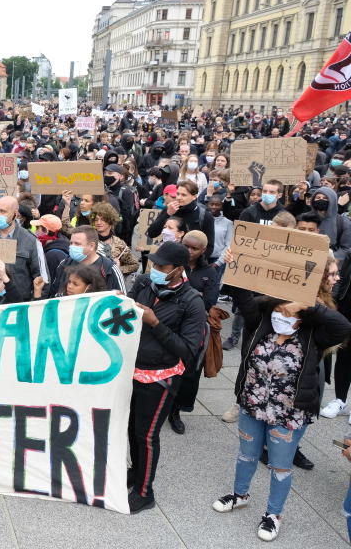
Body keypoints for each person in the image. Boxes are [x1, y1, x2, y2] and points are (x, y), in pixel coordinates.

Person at [213, 269, 351, 542]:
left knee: (280, 466)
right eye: (279, 310)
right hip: (252, 406)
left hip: (288, 415)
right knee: (246, 455)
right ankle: (240, 495)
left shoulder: (313, 337)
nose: (282, 317)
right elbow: (244, 297)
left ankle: (273, 514)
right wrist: (235, 264)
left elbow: (343, 326)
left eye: (289, 315)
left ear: (302, 320)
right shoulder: (261, 324)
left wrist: (304, 306)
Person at [127, 241, 207, 513]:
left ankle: (144, 491)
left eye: (162, 267)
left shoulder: (192, 301)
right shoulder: (145, 284)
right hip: (132, 370)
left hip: (160, 377)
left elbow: (187, 349)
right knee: (132, 429)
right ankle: (136, 472)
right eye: (154, 264)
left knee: (146, 435)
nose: (155, 270)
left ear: (178, 270)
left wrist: (155, 323)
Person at [168, 230, 220, 435]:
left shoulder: (209, 273)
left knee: (189, 372)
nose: (189, 251)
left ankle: (176, 411)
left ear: (203, 250)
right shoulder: (171, 264)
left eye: (194, 248)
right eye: (186, 245)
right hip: (169, 324)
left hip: (194, 329)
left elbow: (209, 301)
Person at [47, 226, 125, 297]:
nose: (72, 247)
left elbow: (123, 300)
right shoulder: (65, 263)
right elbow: (54, 294)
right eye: (71, 243)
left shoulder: (109, 269)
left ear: (91, 246)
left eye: (77, 244)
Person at [91, 202, 139, 277]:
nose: (98, 222)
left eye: (103, 219)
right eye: (96, 220)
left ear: (110, 220)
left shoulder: (119, 243)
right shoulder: (89, 240)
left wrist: (118, 269)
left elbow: (135, 265)